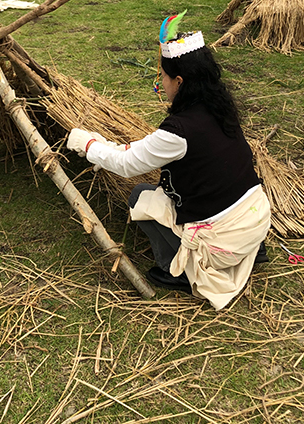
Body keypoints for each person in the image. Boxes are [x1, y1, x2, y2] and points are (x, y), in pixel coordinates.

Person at [67, 20, 271, 311]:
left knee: (140, 195)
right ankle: (251, 247)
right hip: (255, 215)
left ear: (180, 81)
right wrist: (110, 148)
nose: (161, 83)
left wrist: (88, 146)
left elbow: (127, 165)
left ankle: (178, 271)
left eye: (163, 76)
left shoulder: (180, 131)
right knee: (165, 195)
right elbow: (146, 151)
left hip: (223, 237)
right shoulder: (219, 107)